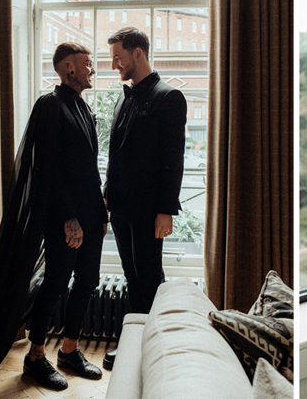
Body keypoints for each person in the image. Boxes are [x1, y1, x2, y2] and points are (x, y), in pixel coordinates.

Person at [22, 43, 109, 390]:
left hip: (91, 213)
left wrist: (100, 209)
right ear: (69, 69)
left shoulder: (82, 107)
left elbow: (88, 167)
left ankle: (70, 351)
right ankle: (35, 358)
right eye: (88, 64)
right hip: (64, 217)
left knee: (88, 281)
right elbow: (49, 170)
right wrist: (69, 217)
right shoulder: (51, 105)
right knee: (56, 284)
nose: (93, 70)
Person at [103, 27, 186, 365]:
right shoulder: (125, 96)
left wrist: (166, 210)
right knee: (132, 274)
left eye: (118, 57)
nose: (114, 65)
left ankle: (153, 349)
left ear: (138, 53)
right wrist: (107, 198)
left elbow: (174, 159)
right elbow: (114, 154)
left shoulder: (169, 97)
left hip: (150, 209)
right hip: (121, 208)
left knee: (149, 275)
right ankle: (136, 344)